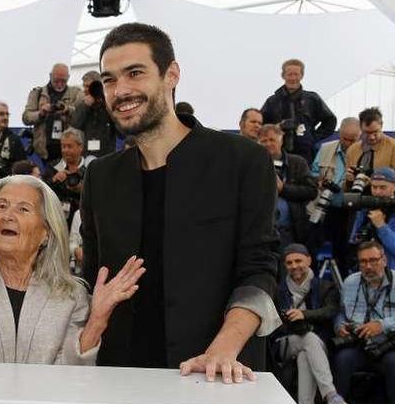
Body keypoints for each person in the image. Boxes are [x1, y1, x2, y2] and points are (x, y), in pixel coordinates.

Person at [81, 23, 280, 381]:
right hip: (120, 379)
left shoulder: (242, 161)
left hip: (215, 375)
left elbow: (259, 270)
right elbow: (94, 280)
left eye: (135, 73)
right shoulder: (100, 177)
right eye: (109, 80)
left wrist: (224, 346)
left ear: (171, 74)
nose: (120, 90)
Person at [0, 175, 144, 364]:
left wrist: (97, 320)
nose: (8, 215)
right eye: (1, 206)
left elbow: (70, 379)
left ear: (46, 233)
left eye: (23, 209)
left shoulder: (71, 296)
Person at [327, 241, 395, 404]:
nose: (368, 266)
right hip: (361, 343)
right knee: (342, 359)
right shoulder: (351, 281)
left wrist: (383, 325)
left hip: (390, 344)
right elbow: (342, 313)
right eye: (363, 262)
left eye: (373, 260)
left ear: (384, 260)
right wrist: (340, 326)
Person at [273, 244, 347, 404]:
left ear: (308, 261)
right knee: (309, 340)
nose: (294, 266)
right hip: (285, 343)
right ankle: (330, 394)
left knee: (307, 352)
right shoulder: (278, 290)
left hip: (314, 345)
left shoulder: (324, 285)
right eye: (289, 263)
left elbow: (331, 310)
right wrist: (289, 320)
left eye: (298, 261)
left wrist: (303, 315)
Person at [260, 59, 337, 165]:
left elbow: (330, 120)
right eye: (289, 74)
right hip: (278, 152)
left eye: (296, 74)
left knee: (303, 179)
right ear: (283, 76)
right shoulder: (272, 101)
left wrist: (312, 137)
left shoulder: (312, 99)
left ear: (302, 76)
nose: (293, 78)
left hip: (305, 153)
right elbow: (261, 125)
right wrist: (277, 127)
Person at [310, 118, 361, 267]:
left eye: (354, 139)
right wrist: (319, 181)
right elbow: (313, 173)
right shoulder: (325, 148)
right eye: (346, 139)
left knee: (345, 251)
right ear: (339, 133)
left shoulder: (364, 152)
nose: (350, 144)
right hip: (326, 206)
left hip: (351, 210)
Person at [258, 123, 318, 248]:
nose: (268, 144)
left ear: (281, 140)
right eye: (264, 141)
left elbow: (311, 191)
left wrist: (283, 189)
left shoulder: (297, 163)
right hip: (261, 233)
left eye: (272, 140)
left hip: (291, 232)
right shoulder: (252, 164)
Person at [22, 63, 83, 164]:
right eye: (56, 80)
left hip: (69, 147)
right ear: (50, 76)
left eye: (63, 81)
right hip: (45, 150)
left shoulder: (76, 93)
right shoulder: (38, 93)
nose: (59, 84)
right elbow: (26, 117)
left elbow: (81, 114)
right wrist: (41, 113)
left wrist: (67, 109)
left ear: (68, 78)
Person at [348, 168, 395, 272]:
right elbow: (353, 242)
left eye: (383, 187)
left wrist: (381, 227)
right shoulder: (365, 208)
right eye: (374, 187)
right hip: (367, 271)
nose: (378, 192)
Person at [43, 128, 89, 227]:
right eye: (63, 146)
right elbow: (42, 191)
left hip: (83, 219)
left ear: (80, 147)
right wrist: (54, 180)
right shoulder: (52, 167)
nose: (65, 150)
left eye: (69, 146)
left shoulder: (90, 168)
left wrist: (82, 189)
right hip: (57, 219)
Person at [345, 107, 395, 184]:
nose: (372, 137)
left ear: (381, 125)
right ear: (360, 128)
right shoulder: (352, 150)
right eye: (367, 132)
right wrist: (348, 180)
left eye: (375, 132)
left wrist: (371, 183)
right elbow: (345, 184)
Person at [71, 70, 117, 159]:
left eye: (88, 86)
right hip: (87, 153)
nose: (85, 90)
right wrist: (85, 106)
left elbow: (120, 129)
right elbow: (75, 125)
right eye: (84, 86)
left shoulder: (108, 102)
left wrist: (105, 103)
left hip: (107, 153)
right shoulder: (82, 103)